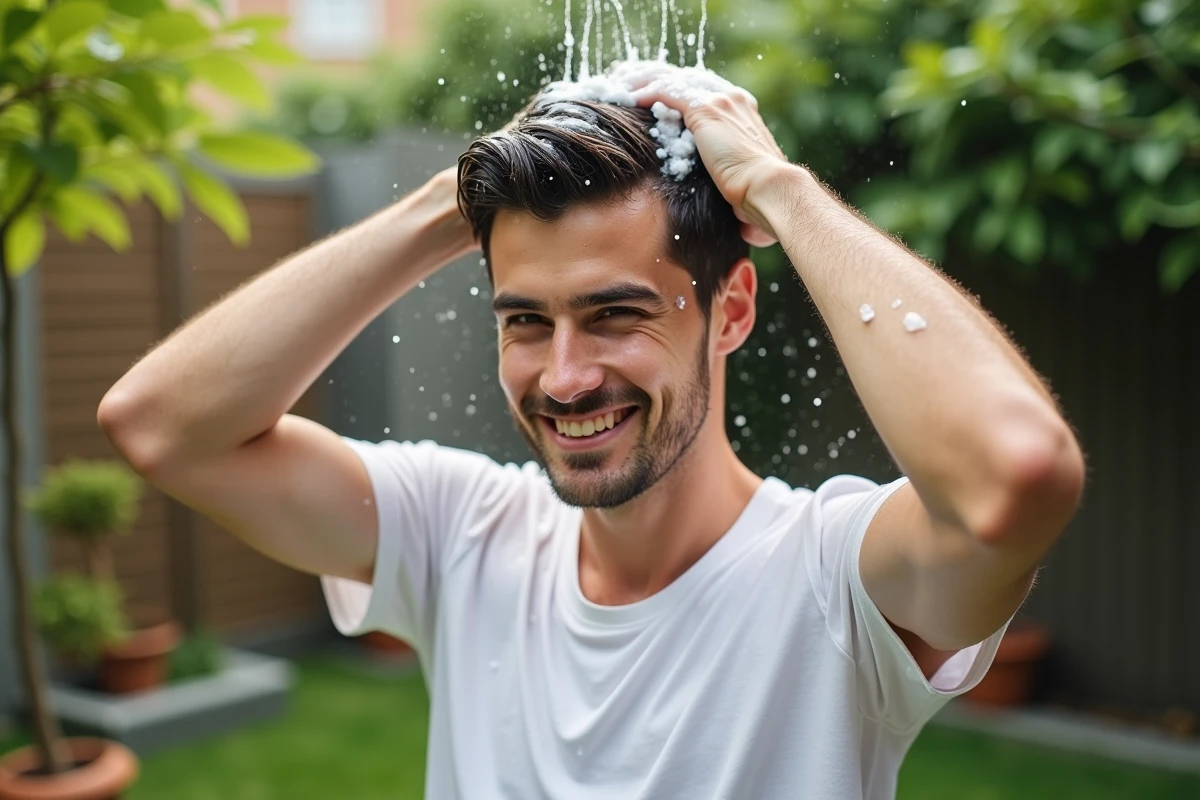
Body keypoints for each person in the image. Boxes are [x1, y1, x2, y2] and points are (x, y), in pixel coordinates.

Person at [97, 65, 1084, 799]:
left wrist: (779, 189)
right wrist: (454, 203)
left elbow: (1013, 474)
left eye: (616, 314)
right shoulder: (461, 531)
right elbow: (162, 427)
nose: (564, 377)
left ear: (732, 311)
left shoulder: (833, 582)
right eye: (526, 320)